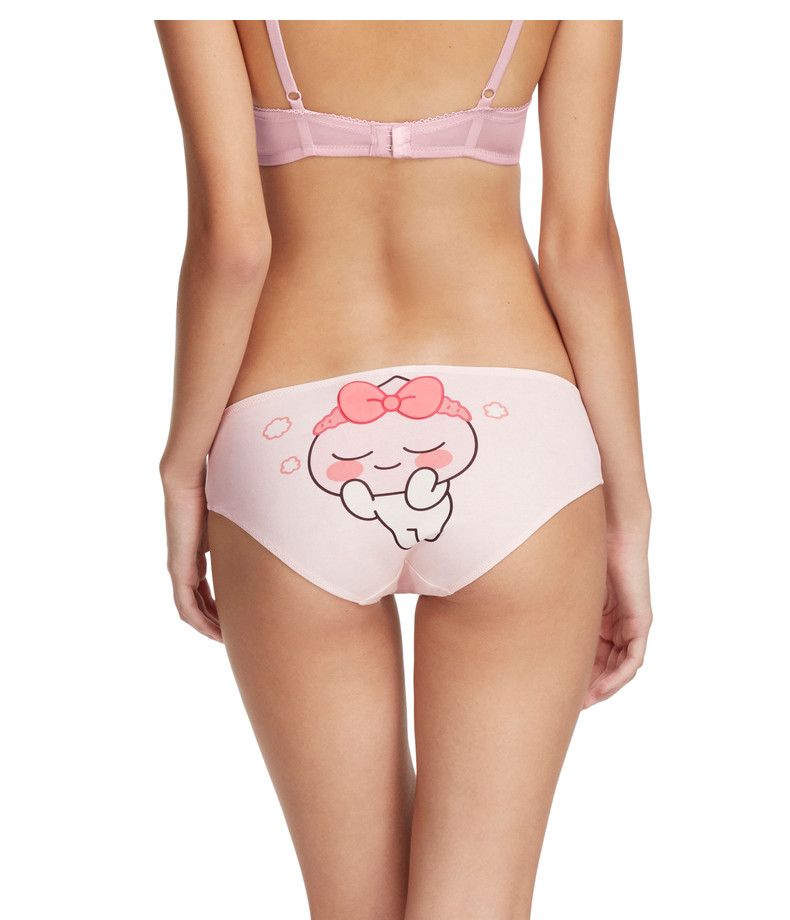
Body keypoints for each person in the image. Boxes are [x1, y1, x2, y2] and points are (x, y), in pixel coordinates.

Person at [155, 19, 653, 919]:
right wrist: (628, 516)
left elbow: (233, 247)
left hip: (290, 438)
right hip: (518, 435)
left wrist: (182, 467)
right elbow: (580, 249)